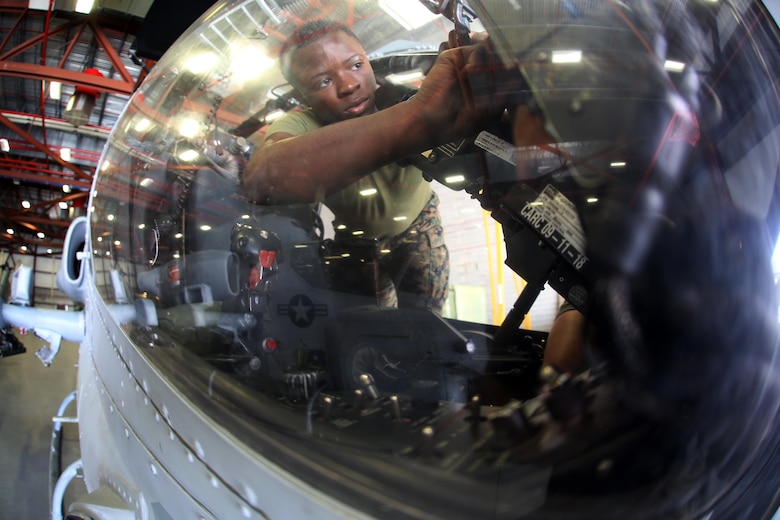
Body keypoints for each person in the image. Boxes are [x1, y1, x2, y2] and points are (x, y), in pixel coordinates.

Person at [242, 20, 493, 313]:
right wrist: (417, 118)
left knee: (427, 323)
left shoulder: (404, 97)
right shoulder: (300, 124)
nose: (349, 85)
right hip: (357, 244)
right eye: (323, 81)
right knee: (371, 329)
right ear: (302, 98)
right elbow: (263, 178)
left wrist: (481, 61)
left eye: (356, 65)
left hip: (419, 227)